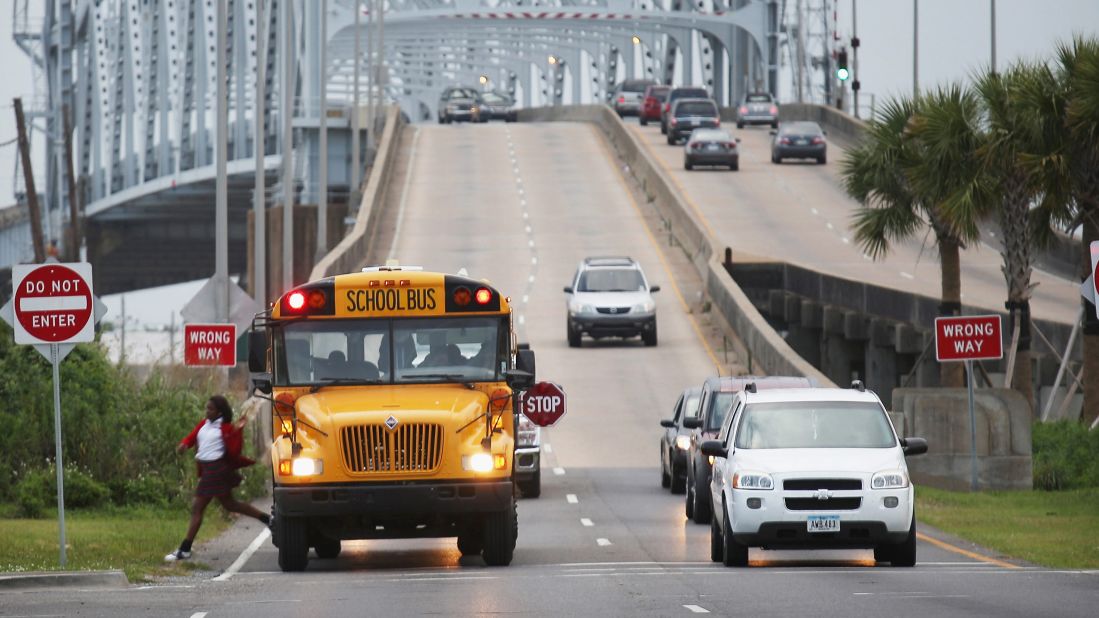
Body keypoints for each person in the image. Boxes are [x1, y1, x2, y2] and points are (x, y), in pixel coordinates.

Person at [164, 395, 270, 562]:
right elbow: (191, 437)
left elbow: (234, 446)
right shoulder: (203, 425)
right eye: (206, 408)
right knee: (229, 504)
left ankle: (185, 549)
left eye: (210, 409)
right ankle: (267, 519)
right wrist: (184, 444)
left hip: (216, 469)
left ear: (219, 412)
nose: (207, 411)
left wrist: (240, 426)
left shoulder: (226, 428)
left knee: (197, 508)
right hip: (208, 470)